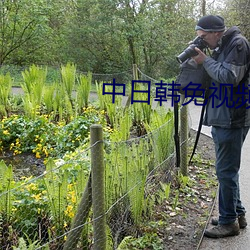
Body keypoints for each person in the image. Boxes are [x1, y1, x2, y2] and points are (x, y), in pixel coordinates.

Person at [192, 15, 250, 238]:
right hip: (222, 116)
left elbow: (229, 76)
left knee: (225, 171)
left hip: (232, 118)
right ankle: (237, 214)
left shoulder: (238, 44)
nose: (203, 41)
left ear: (216, 32)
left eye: (204, 37)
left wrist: (205, 60)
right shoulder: (222, 46)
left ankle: (228, 223)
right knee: (227, 170)